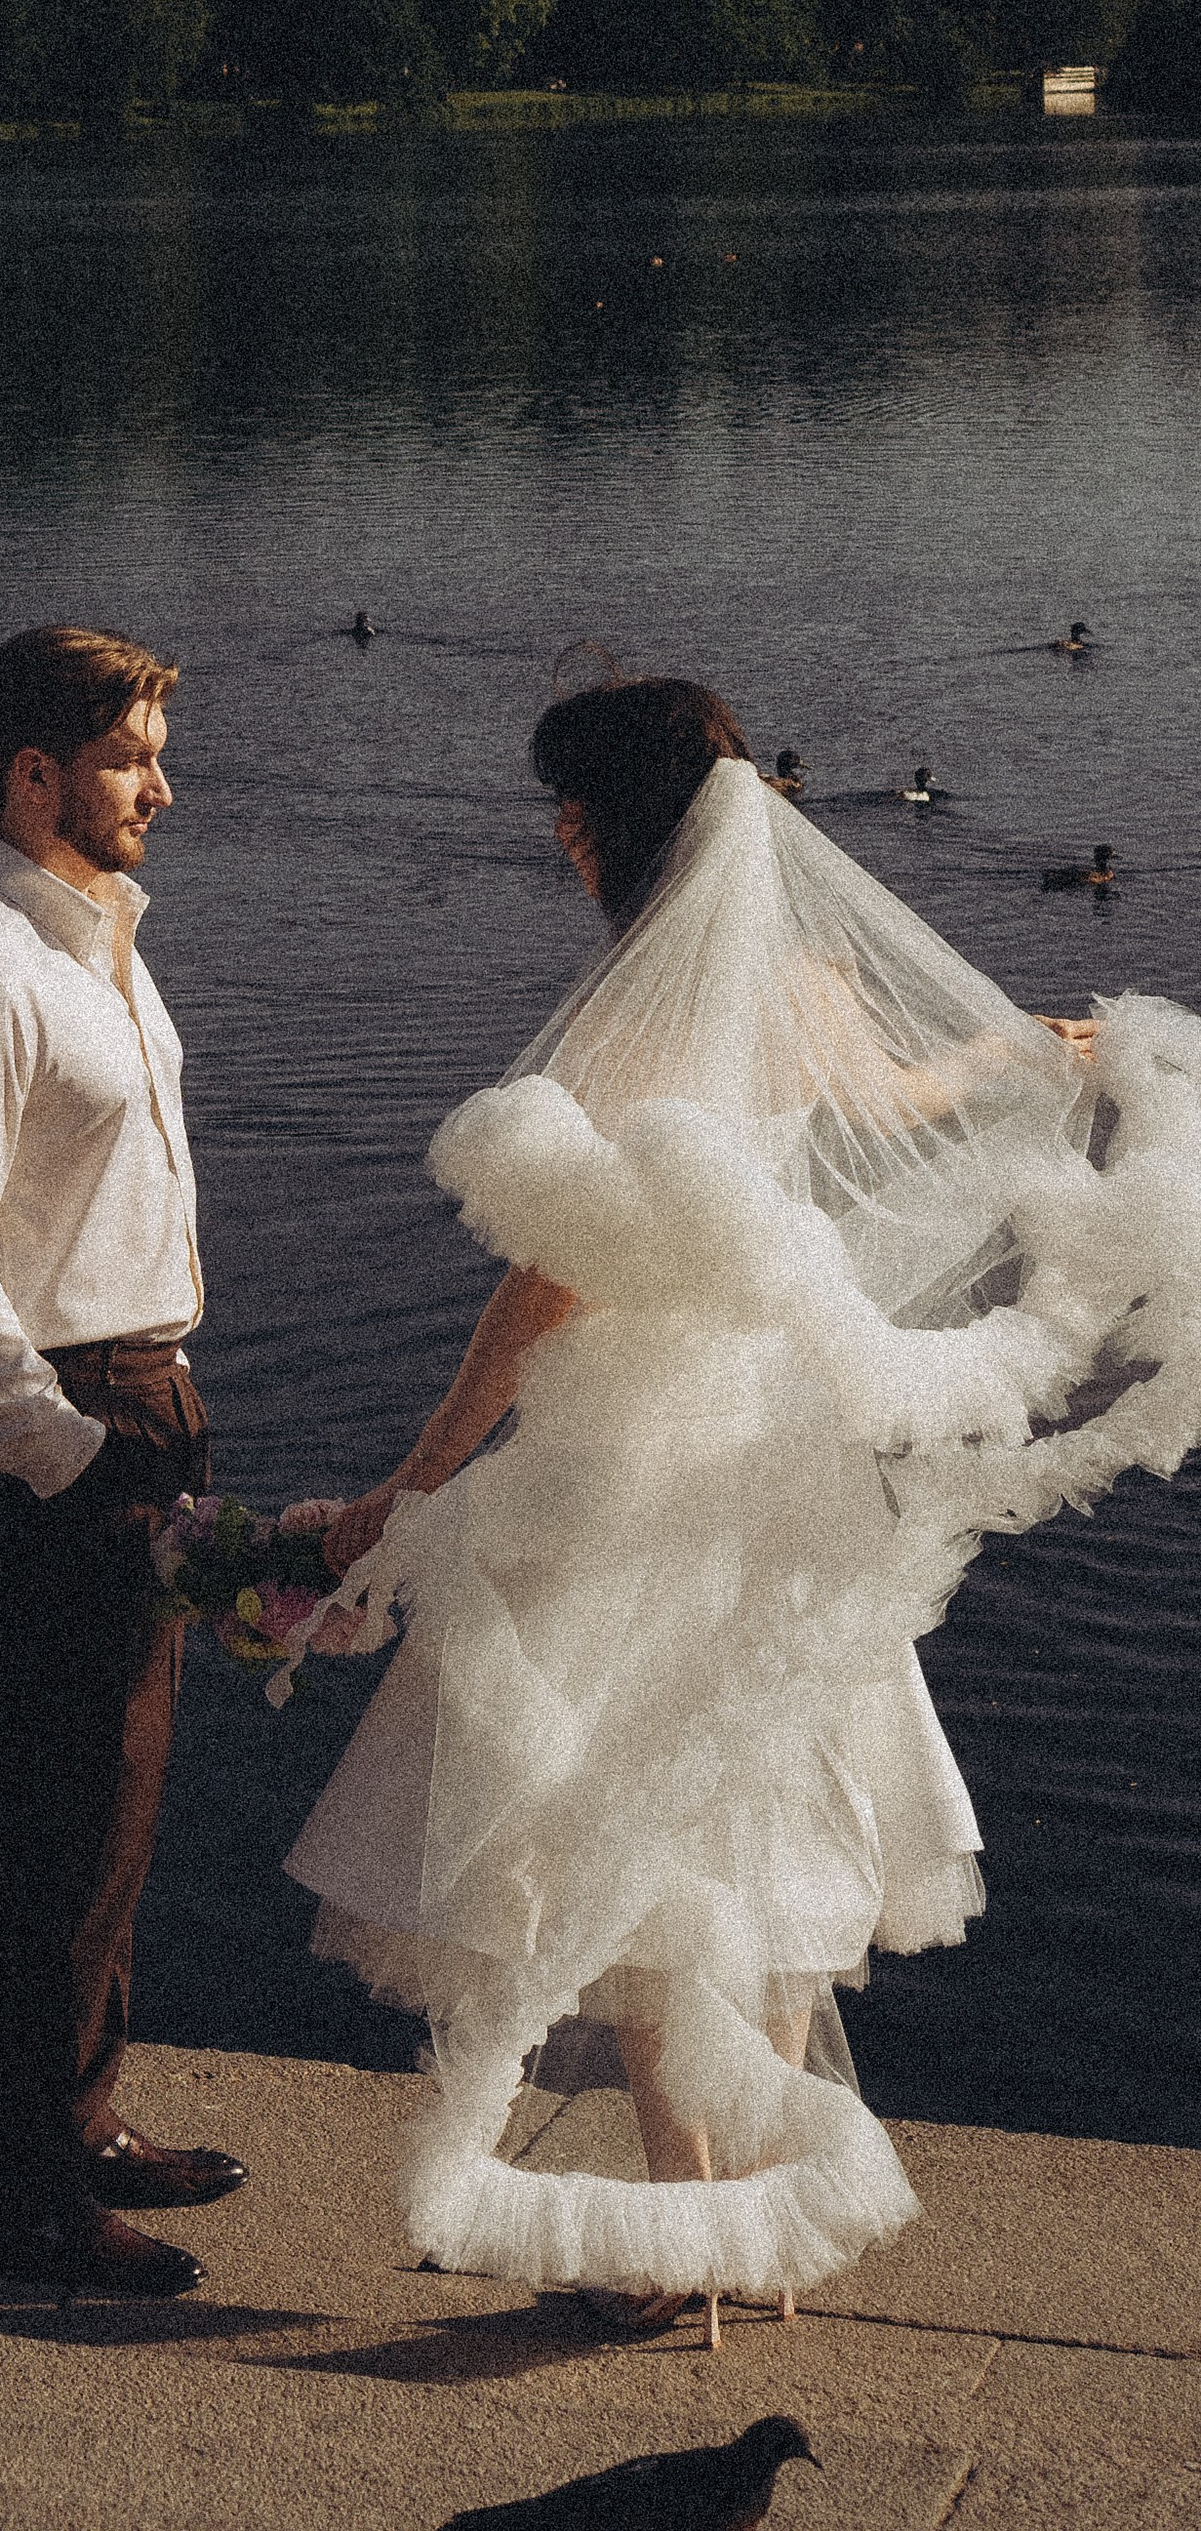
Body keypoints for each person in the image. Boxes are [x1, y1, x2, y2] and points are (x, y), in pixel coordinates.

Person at [280, 675, 1201, 2322]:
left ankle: (681, 2245)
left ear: (599, 826)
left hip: (629, 1461)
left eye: (564, 807)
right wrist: (1042, 1053)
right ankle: (767, 2235)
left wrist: (415, 1477)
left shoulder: (634, 1010)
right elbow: (896, 1100)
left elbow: (549, 1288)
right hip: (780, 1457)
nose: (557, 836)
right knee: (773, 1818)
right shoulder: (800, 978)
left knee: (630, 1842)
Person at [0, 624, 245, 2298]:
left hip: (137, 1399)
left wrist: (147, 1428)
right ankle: (19, 2195)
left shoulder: (103, 944)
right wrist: (69, 1453)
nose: (162, 787)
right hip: (45, 1422)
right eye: (130, 759)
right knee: (30, 1817)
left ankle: (82, 2121)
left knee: (115, 1803)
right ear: (34, 778)